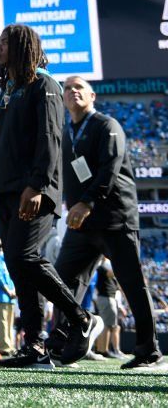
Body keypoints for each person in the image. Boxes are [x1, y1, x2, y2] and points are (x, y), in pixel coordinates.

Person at [0, 25, 103, 370]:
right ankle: (34, 345)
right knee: (18, 266)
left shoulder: (45, 85)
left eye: (5, 42)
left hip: (34, 191)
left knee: (25, 256)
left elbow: (50, 138)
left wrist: (37, 186)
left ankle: (81, 319)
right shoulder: (6, 91)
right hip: (6, 193)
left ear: (22, 47)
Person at [51, 75, 164, 370]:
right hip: (82, 224)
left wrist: (86, 202)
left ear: (92, 96)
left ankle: (148, 351)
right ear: (63, 98)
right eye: (67, 88)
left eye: (79, 88)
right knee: (62, 282)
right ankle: (65, 343)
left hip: (114, 219)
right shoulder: (67, 132)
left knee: (132, 283)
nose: (72, 91)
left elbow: (110, 169)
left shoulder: (106, 125)